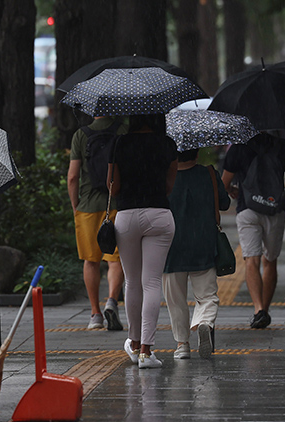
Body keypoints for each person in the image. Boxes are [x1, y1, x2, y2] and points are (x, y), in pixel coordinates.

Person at [109, 114, 178, 369]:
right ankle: (147, 353)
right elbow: (169, 186)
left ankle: (134, 343)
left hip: (126, 216)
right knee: (151, 282)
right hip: (159, 215)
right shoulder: (168, 144)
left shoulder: (119, 143)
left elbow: (112, 187)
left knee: (132, 282)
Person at [222, 132, 285, 329]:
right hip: (273, 210)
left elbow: (223, 183)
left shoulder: (238, 148)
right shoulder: (281, 146)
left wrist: (233, 190)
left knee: (252, 259)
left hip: (247, 209)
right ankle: (264, 311)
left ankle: (258, 310)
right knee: (270, 261)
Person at [162, 149, 230, 360]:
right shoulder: (209, 173)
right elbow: (225, 203)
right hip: (204, 244)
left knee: (176, 300)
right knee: (207, 296)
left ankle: (182, 345)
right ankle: (204, 323)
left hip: (171, 247)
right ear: (197, 152)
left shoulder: (164, 177)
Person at [67, 115, 126, 330]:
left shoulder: (81, 135)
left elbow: (73, 177)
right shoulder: (123, 131)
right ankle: (112, 299)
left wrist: (76, 205)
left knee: (91, 260)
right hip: (117, 202)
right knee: (115, 258)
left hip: (88, 205)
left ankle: (95, 314)